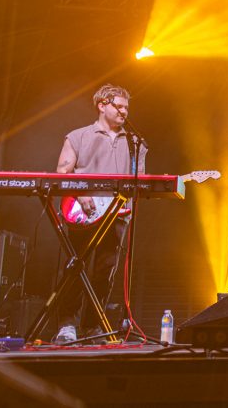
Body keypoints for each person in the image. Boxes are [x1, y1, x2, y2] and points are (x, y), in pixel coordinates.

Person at [54, 84, 147, 344]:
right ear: (102, 105)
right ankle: (67, 325)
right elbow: (62, 173)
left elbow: (136, 181)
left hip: (117, 213)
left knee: (106, 271)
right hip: (82, 210)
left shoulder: (135, 142)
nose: (124, 111)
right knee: (75, 267)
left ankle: (93, 327)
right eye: (119, 106)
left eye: (127, 107)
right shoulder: (78, 136)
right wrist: (82, 195)